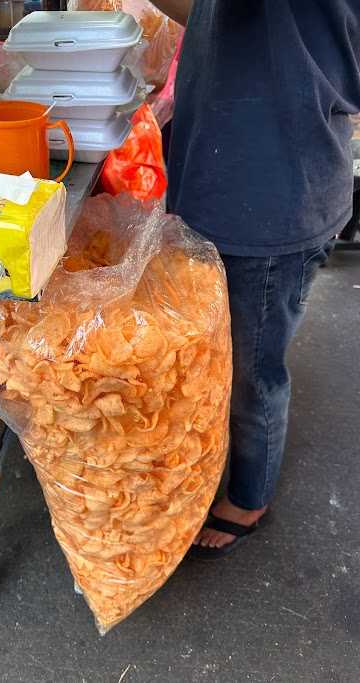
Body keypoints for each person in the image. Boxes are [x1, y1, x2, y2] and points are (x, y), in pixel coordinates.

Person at [149, 0, 360, 557]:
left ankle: (249, 495)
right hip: (261, 177)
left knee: (253, 367)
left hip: (269, 198)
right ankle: (227, 449)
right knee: (231, 349)